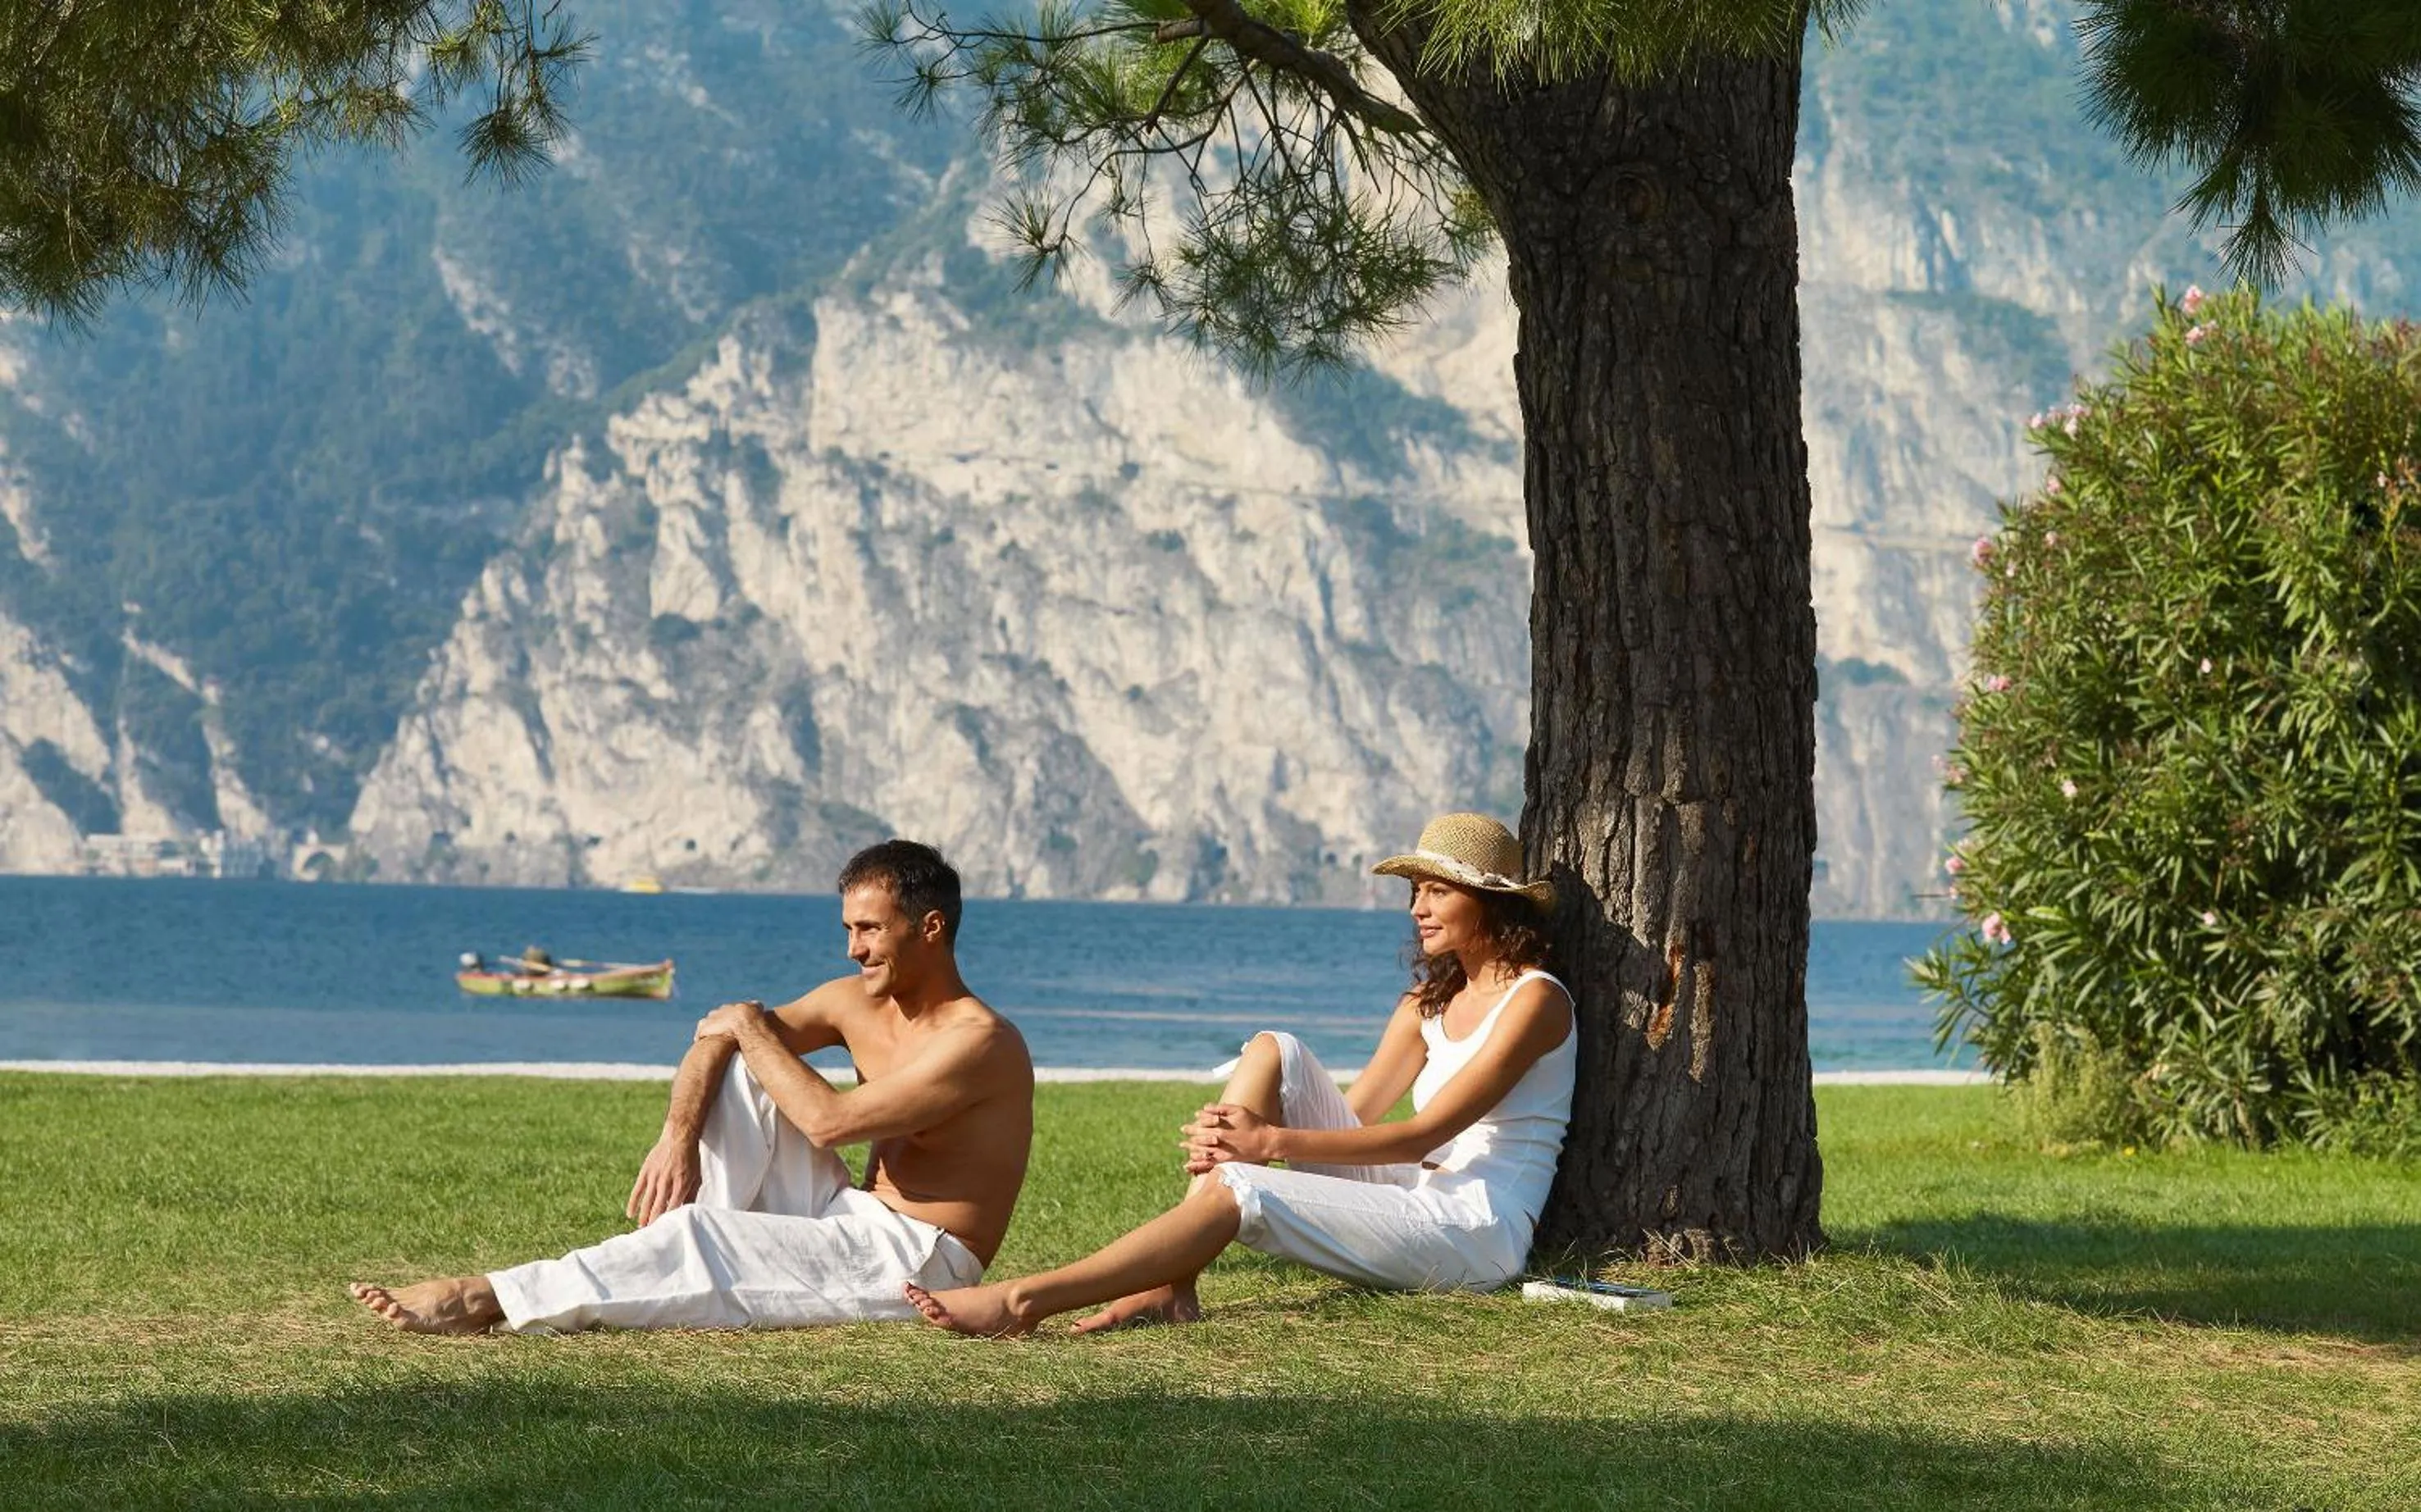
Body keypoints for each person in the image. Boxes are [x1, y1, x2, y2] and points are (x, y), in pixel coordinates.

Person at [905, 812, 1574, 1338]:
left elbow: (1418, 1136)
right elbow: (1359, 1115)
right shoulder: (1427, 1003)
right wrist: (1244, 1133)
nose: (1416, 909)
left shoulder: (1536, 1001)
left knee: (1240, 1186)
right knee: (1272, 1049)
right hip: (1412, 1194)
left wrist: (1267, 1146)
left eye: (1435, 892)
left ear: (1489, 901)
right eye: (1414, 892)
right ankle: (1172, 1281)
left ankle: (1023, 1301)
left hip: (1476, 1232)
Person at [350, 840, 1034, 1334]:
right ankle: (686, 1243)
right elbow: (717, 1038)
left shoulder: (979, 1045)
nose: (852, 949)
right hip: (847, 1211)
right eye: (848, 929)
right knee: (742, 1068)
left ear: (932, 927)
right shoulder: (853, 1001)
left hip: (921, 1256)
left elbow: (831, 1123)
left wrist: (745, 1023)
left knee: (727, 1170)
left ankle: (486, 1297)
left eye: (870, 930)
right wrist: (677, 1137)